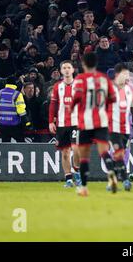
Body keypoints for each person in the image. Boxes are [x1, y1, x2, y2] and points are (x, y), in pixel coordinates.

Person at [71, 52, 117, 196]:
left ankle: (84, 188)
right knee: (104, 151)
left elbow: (76, 98)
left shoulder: (79, 79)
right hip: (102, 120)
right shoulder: (104, 79)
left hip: (85, 121)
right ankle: (111, 174)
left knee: (84, 156)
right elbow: (113, 98)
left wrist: (71, 108)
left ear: (84, 64)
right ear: (96, 64)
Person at [107, 63, 133, 191]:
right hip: (112, 127)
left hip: (126, 128)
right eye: (125, 74)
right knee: (117, 152)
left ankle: (113, 180)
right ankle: (126, 180)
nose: (127, 77)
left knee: (120, 154)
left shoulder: (130, 89)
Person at [48, 60, 81, 188]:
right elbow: (53, 105)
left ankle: (76, 170)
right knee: (65, 152)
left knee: (76, 148)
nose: (67, 70)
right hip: (62, 124)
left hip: (76, 123)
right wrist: (51, 121)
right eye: (64, 68)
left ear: (73, 70)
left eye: (69, 67)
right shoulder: (57, 86)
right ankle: (68, 178)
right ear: (61, 71)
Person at [0, 76, 30, 142]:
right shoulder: (17, 94)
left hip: (2, 124)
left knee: (5, 144)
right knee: (21, 142)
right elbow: (21, 110)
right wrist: (27, 122)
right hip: (14, 124)